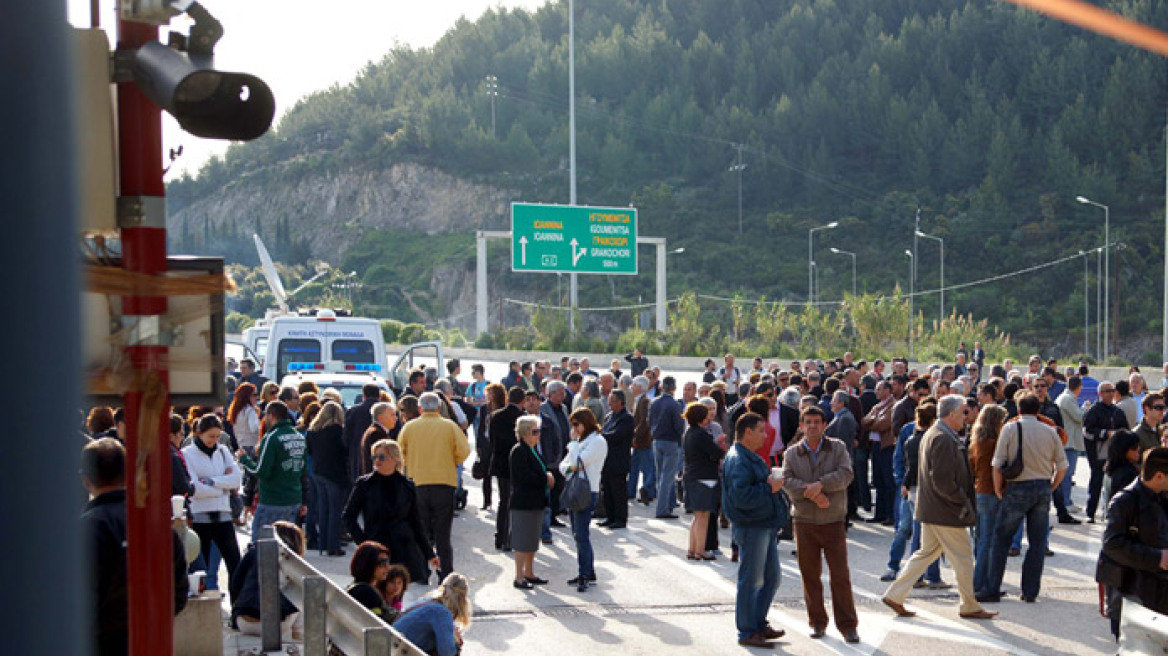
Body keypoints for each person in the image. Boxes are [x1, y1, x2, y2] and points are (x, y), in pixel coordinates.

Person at [883, 395, 997, 620]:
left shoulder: (936, 433)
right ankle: (969, 605)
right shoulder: (942, 437)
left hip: (933, 509)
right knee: (963, 558)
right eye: (964, 412)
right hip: (945, 510)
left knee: (925, 554)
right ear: (952, 414)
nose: (967, 416)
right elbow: (943, 480)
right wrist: (962, 502)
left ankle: (895, 595)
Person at [82, 438, 188, 656]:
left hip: (102, 641)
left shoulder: (86, 527)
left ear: (86, 480)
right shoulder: (154, 522)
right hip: (150, 636)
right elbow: (177, 587)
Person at [978, 391, 1068, 603]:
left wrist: (999, 489)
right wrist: (1052, 486)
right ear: (1038, 410)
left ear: (1018, 410)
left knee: (1001, 540)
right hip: (1042, 487)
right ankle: (1030, 591)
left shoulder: (1010, 428)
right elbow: (1063, 467)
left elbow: (997, 463)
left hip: (1017, 487)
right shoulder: (1050, 431)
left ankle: (992, 588)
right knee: (1037, 543)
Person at [781, 406, 860, 643]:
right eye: (808, 422)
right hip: (804, 521)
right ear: (801, 426)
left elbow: (846, 474)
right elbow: (786, 481)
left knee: (840, 575)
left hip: (833, 520)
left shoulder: (837, 447)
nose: (813, 425)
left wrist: (821, 485)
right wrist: (813, 493)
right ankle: (817, 622)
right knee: (810, 575)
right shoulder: (792, 453)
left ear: (825, 425)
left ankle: (848, 625)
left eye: (817, 421)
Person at [722, 413, 788, 648]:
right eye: (761, 430)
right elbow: (741, 496)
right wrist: (769, 487)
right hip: (752, 525)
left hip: (763, 523)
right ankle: (748, 630)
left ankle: (758, 624)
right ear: (748, 432)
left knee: (771, 578)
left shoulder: (746, 456)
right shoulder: (739, 458)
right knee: (752, 579)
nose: (765, 435)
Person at [343, 439, 439, 584]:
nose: (377, 461)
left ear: (395, 459)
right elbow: (348, 517)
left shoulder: (407, 485)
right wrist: (364, 543)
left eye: (382, 457)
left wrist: (429, 553)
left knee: (397, 591)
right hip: (377, 548)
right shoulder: (364, 484)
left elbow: (416, 523)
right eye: (374, 457)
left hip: (403, 548)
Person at [398, 392, 471, 580]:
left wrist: (411, 463)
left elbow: (400, 452)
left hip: (418, 483)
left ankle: (422, 572)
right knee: (443, 535)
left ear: (420, 408)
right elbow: (463, 451)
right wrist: (451, 461)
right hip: (444, 483)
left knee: (420, 531)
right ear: (438, 408)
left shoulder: (409, 427)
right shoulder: (449, 426)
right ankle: (445, 573)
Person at [1099, 447, 1168, 639]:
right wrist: (1158, 558)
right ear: (1159, 476)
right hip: (1132, 592)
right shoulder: (1124, 502)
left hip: (1159, 592)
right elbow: (1112, 544)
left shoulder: (1161, 497)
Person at [182, 414, 243, 589]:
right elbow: (195, 489)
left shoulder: (223, 451)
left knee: (235, 564)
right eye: (211, 436)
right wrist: (223, 487)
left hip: (223, 515)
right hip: (201, 517)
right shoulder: (188, 454)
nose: (214, 441)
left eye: (217, 436)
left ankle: (237, 606)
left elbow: (236, 480)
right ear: (199, 433)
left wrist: (210, 481)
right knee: (202, 567)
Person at [237, 401, 306, 538]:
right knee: (287, 546)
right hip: (294, 500)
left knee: (260, 545)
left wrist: (245, 460)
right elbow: (303, 473)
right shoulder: (299, 437)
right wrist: (305, 501)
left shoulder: (271, 437)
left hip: (273, 500)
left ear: (271, 415)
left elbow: (261, 472)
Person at [560, 407, 608, 592]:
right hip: (574, 488)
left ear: (585, 423)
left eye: (576, 425)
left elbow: (578, 462)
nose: (574, 429)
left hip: (588, 491)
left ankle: (585, 574)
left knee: (581, 534)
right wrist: (569, 467)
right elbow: (565, 465)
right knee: (577, 533)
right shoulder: (582, 441)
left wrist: (572, 444)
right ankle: (588, 571)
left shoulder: (597, 441)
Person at [231, 520, 303, 638]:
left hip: (244, 622)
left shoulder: (253, 551)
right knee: (303, 594)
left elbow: (235, 584)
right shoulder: (292, 560)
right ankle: (298, 636)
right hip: (276, 626)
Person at [968, 404, 1009, 595]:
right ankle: (981, 583)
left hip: (978, 491)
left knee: (980, 540)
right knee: (989, 541)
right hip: (992, 492)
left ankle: (978, 579)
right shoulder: (995, 443)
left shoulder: (976, 441)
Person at [509, 415, 553, 589]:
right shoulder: (519, 451)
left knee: (532, 540)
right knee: (522, 541)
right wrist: (545, 477)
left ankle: (529, 572)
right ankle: (519, 576)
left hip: (535, 502)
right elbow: (523, 477)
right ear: (525, 432)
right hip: (524, 502)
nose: (538, 435)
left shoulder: (532, 449)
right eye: (535, 431)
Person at [306, 401, 349, 556]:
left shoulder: (312, 431)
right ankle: (333, 545)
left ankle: (323, 543)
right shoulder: (338, 431)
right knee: (335, 511)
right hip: (335, 474)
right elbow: (345, 452)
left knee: (323, 510)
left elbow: (310, 451)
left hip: (318, 472)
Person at [682, 402, 724, 560]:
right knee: (704, 515)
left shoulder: (689, 432)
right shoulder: (701, 434)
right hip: (705, 477)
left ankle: (692, 549)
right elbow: (717, 453)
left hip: (692, 475)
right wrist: (720, 444)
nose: (708, 418)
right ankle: (700, 549)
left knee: (697, 515)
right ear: (701, 418)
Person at [394, 573, 473, 656]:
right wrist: (455, 641)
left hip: (393, 645)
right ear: (462, 600)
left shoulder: (429, 601)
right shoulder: (441, 613)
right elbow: (447, 653)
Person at [1083, 381, 1130, 522]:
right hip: (1098, 453)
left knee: (1115, 483)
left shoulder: (1118, 411)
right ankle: (1090, 513)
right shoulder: (1093, 411)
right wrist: (1105, 433)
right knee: (1096, 482)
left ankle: (1111, 512)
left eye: (1112, 390)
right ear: (1100, 393)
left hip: (1115, 454)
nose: (1111, 393)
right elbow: (1087, 432)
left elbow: (1126, 430)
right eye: (1107, 391)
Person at [490, 387, 526, 551]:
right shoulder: (522, 418)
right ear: (522, 401)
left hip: (499, 462)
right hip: (516, 464)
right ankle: (510, 539)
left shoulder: (495, 416)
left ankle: (500, 537)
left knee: (503, 501)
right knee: (514, 502)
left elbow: (491, 441)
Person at [650, 376, 686, 519]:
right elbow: (679, 426)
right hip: (670, 441)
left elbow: (650, 420)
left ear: (662, 387)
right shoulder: (674, 405)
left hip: (657, 440)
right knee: (667, 476)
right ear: (674, 388)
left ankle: (667, 503)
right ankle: (662, 509)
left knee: (661, 475)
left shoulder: (654, 402)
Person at [862, 380, 897, 524]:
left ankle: (890, 514)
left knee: (888, 480)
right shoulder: (877, 406)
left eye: (879, 389)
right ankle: (879, 514)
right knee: (878, 481)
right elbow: (864, 422)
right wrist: (873, 420)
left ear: (888, 391)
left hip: (886, 447)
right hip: (875, 446)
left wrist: (872, 421)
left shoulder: (893, 405)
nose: (876, 392)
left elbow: (884, 424)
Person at [599, 390, 634, 530]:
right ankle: (610, 516)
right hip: (607, 460)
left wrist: (600, 436)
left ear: (620, 402)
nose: (609, 404)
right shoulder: (609, 416)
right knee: (607, 490)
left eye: (612, 401)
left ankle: (620, 518)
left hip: (618, 461)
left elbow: (617, 436)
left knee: (618, 491)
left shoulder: (626, 418)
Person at [346, 541, 398, 622]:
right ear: (368, 564)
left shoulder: (358, 587)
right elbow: (378, 625)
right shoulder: (366, 593)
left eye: (387, 562)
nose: (388, 568)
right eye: (382, 563)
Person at [1055, 376, 1086, 510]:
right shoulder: (1067, 399)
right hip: (1069, 442)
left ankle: (1066, 501)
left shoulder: (1065, 397)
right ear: (1078, 387)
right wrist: (1086, 407)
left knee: (1067, 474)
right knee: (1067, 474)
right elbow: (1079, 416)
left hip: (1068, 440)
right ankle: (1065, 502)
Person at [627, 376, 656, 506]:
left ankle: (648, 492)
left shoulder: (644, 401)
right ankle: (630, 491)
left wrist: (635, 435)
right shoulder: (638, 400)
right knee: (634, 467)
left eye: (634, 385)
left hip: (643, 442)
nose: (632, 387)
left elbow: (644, 422)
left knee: (646, 468)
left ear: (639, 387)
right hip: (639, 442)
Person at [344, 383, 381, 481]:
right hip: (381, 456)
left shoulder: (353, 411)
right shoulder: (387, 410)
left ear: (364, 396)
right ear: (379, 396)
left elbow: (346, 438)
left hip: (358, 456)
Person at [359, 401, 398, 477]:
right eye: (392, 415)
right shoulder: (376, 434)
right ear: (380, 418)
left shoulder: (377, 431)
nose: (396, 418)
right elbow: (379, 461)